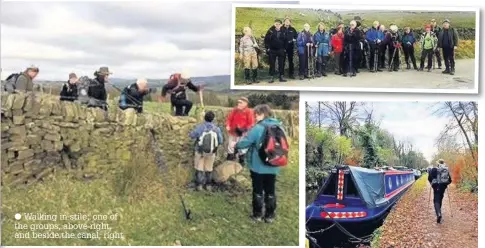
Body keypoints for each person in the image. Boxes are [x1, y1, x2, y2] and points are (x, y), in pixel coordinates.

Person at [235, 104, 285, 223]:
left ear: (262, 114)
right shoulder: (280, 127)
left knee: (258, 190)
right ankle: (270, 216)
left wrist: (237, 145)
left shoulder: (257, 128)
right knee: (270, 190)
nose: (255, 117)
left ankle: (257, 215)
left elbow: (245, 142)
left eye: (256, 114)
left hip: (258, 165)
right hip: (273, 164)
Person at [189, 111, 223, 191]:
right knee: (209, 168)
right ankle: (208, 185)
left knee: (199, 167)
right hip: (211, 152)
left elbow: (192, 135)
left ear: (204, 118)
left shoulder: (201, 127)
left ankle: (200, 185)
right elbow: (220, 141)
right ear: (213, 119)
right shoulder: (216, 129)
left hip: (200, 151)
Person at [225, 97, 255, 163]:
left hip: (242, 133)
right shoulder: (235, 110)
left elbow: (251, 124)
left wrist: (244, 129)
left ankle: (241, 162)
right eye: (238, 102)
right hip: (233, 132)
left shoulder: (249, 112)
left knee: (242, 148)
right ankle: (229, 161)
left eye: (240, 102)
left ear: (245, 104)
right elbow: (229, 119)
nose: (238, 104)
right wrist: (227, 125)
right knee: (230, 146)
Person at [428, 159, 452, 224]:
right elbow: (450, 180)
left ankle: (438, 214)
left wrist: (432, 183)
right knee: (440, 199)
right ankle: (439, 213)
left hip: (435, 186)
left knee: (436, 200)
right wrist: (445, 184)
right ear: (443, 163)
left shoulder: (434, 169)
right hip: (442, 186)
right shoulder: (445, 170)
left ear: (437, 163)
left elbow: (429, 178)